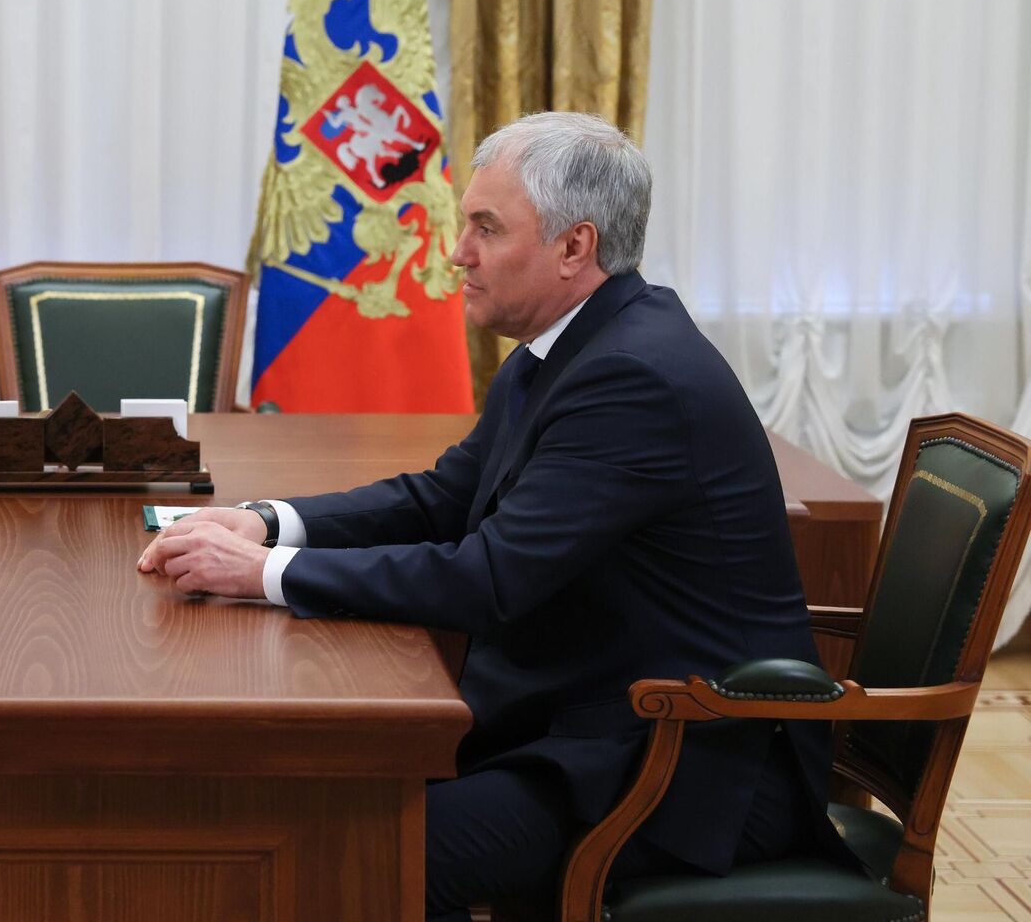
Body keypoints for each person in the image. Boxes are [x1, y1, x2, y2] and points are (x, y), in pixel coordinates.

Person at [140, 112, 844, 919]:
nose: (456, 252)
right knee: (326, 806)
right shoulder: (566, 348)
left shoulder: (633, 377)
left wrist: (263, 575)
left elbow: (488, 578)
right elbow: (444, 499)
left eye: (485, 227)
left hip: (681, 768)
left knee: (350, 849)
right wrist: (269, 524)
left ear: (574, 247)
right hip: (591, 724)